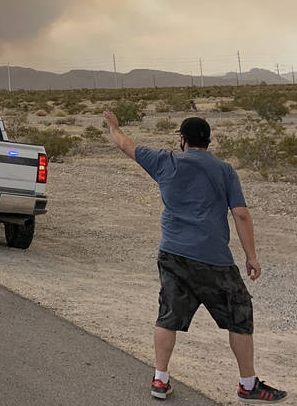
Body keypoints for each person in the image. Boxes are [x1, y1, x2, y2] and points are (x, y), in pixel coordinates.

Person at [102, 111, 287, 402]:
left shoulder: (165, 162)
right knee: (240, 316)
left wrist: (113, 125)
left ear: (182, 139)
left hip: (173, 254)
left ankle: (160, 380)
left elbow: (125, 144)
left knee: (168, 315)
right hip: (214, 258)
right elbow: (240, 214)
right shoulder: (225, 170)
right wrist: (251, 256)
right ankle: (247, 384)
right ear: (208, 141)